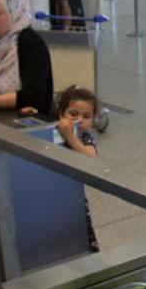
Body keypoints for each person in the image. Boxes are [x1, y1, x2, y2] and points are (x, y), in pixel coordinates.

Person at [58, 84, 100, 251]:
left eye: (86, 116)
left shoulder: (84, 137)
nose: (79, 120)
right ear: (61, 114)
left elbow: (90, 156)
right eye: (73, 114)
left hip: (74, 195)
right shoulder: (53, 131)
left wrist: (70, 137)